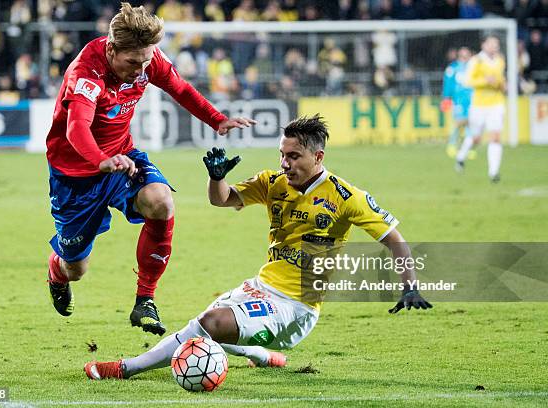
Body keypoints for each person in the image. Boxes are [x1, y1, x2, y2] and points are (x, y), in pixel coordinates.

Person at [83, 115, 432, 380]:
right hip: (260, 287)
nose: (285, 164)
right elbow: (221, 200)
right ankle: (264, 356)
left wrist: (410, 285)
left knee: (209, 322)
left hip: (296, 308)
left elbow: (395, 240)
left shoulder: (346, 198)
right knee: (204, 325)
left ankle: (126, 368)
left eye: (293, 156)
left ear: (318, 156)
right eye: (282, 155)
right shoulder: (273, 183)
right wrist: (216, 176)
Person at [45, 2, 255, 335]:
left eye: (145, 62)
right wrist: (100, 160)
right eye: (132, 63)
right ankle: (57, 271)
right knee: (76, 268)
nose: (141, 71)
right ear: (112, 50)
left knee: (162, 202)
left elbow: (180, 88)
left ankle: (145, 299)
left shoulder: (147, 59)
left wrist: (217, 119)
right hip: (77, 176)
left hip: (123, 158)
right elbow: (76, 129)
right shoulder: (87, 72)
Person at [455, 36, 506, 183]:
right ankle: (461, 156)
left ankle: (493, 172)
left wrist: (502, 84)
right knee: (476, 138)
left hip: (496, 104)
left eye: (496, 44)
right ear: (483, 45)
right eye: (490, 44)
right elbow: (467, 80)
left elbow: (501, 80)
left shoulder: (500, 60)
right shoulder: (476, 61)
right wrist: (485, 81)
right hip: (479, 105)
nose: (493, 47)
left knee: (495, 137)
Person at [441, 46, 473, 158]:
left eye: (466, 55)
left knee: (471, 124)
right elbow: (448, 84)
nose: (464, 57)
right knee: (458, 123)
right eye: (462, 55)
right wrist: (446, 98)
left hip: (472, 100)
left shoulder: (473, 67)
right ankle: (452, 144)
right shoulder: (452, 68)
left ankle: (468, 147)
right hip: (458, 100)